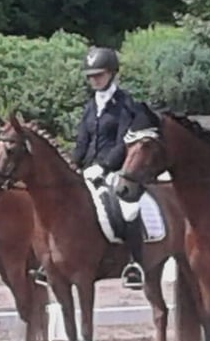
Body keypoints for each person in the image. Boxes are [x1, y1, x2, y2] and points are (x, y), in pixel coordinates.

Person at [33, 46, 144, 289]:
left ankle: (135, 263)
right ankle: (50, 260)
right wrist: (72, 166)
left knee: (128, 208)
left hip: (118, 168)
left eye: (99, 75)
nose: (95, 80)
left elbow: (125, 140)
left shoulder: (125, 103)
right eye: (91, 76)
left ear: (112, 73)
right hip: (88, 169)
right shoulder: (90, 105)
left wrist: (104, 167)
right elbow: (82, 140)